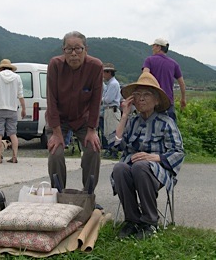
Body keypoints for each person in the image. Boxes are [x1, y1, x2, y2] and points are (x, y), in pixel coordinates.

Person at [110, 72, 184, 240]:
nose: (141, 99)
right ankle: (132, 220)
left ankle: (150, 222)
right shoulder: (133, 121)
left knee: (141, 165)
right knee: (120, 167)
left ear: (157, 100)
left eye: (146, 95)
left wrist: (154, 158)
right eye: (137, 95)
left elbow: (178, 152)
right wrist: (124, 116)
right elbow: (117, 144)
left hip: (156, 173)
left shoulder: (166, 122)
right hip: (132, 170)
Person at [45, 31, 103, 191]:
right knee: (55, 153)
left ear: (86, 49)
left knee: (93, 150)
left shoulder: (96, 66)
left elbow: (96, 101)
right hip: (59, 119)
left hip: (83, 119)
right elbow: (51, 100)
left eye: (78, 49)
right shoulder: (55, 65)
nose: (73, 54)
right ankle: (58, 193)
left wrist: (92, 130)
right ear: (63, 50)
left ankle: (88, 194)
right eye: (69, 49)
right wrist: (56, 133)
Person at [142, 38, 186, 121]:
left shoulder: (149, 60)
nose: (152, 48)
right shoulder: (174, 63)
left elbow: (145, 76)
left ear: (159, 47)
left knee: (150, 129)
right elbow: (182, 83)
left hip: (152, 101)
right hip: (168, 102)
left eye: (154, 46)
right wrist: (183, 99)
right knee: (170, 129)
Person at [102, 63, 121, 159]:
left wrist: (100, 99)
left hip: (112, 109)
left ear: (109, 72)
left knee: (112, 131)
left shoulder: (113, 84)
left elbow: (108, 99)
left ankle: (114, 151)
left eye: (104, 72)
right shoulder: (111, 84)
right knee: (108, 131)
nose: (103, 75)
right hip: (109, 109)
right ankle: (111, 150)